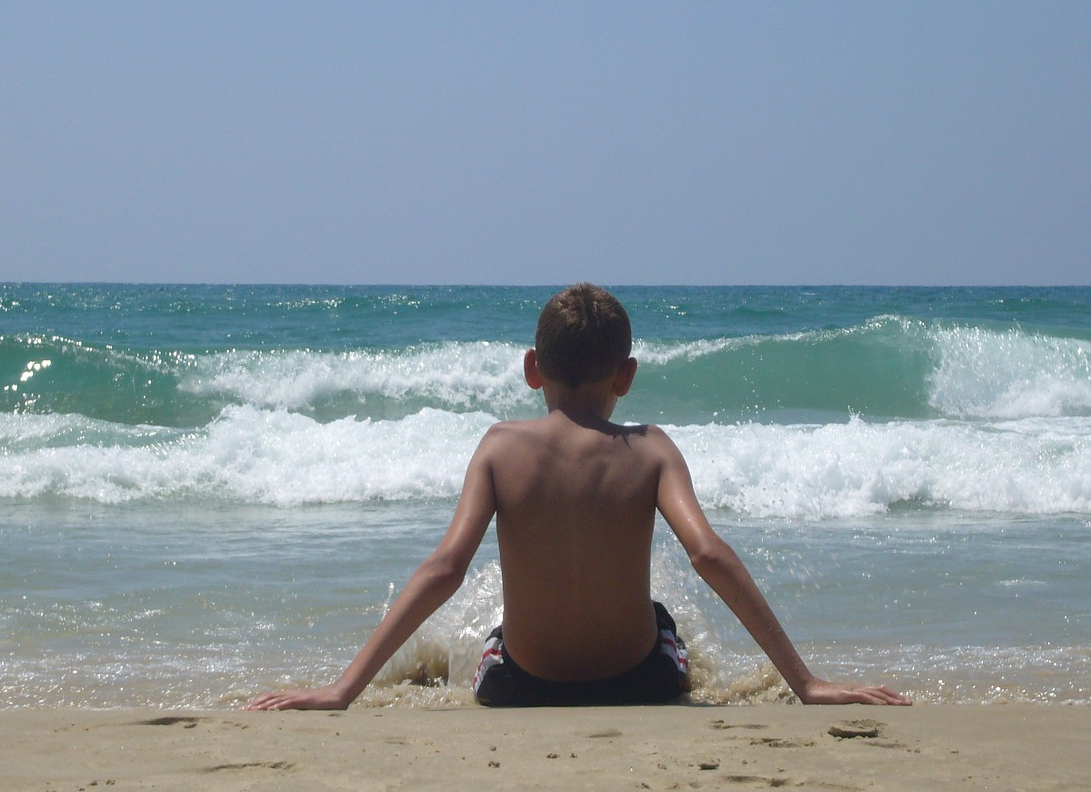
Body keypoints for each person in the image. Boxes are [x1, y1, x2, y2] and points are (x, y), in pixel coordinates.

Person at [247, 284, 909, 710]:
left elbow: (445, 568)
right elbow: (707, 555)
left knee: (494, 639)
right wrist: (806, 682)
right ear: (626, 375)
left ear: (532, 368)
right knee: (662, 619)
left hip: (520, 687)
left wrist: (341, 690)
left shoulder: (500, 447)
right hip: (642, 682)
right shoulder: (650, 448)